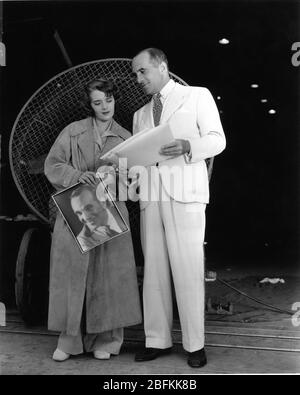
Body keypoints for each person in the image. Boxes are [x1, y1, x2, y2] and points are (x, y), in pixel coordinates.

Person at [131, 48, 226, 368]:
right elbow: (140, 159)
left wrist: (189, 146)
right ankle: (156, 339)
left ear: (162, 66)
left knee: (188, 271)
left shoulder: (197, 96)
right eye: (136, 73)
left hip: (186, 195)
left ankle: (195, 345)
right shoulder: (140, 114)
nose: (138, 78)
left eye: (142, 71)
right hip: (152, 197)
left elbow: (217, 140)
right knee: (154, 271)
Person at [44, 78, 142, 361]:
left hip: (111, 209)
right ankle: (69, 341)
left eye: (109, 100)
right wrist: (77, 176)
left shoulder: (126, 137)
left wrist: (116, 177)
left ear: (115, 100)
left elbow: (134, 180)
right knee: (71, 275)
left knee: (111, 276)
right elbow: (53, 165)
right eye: (97, 102)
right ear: (89, 105)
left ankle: (108, 341)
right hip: (76, 206)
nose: (104, 107)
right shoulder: (72, 132)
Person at [70, 184, 124, 252]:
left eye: (88, 208)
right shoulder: (83, 242)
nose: (85, 217)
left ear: (103, 202)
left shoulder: (118, 207)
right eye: (79, 213)